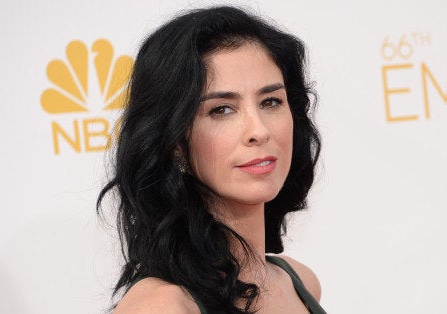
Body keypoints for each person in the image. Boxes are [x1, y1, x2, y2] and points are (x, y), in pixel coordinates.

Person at [97, 5, 325, 314]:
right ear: (175, 142)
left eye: (270, 102)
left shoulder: (300, 282)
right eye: (221, 109)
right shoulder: (162, 306)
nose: (258, 130)